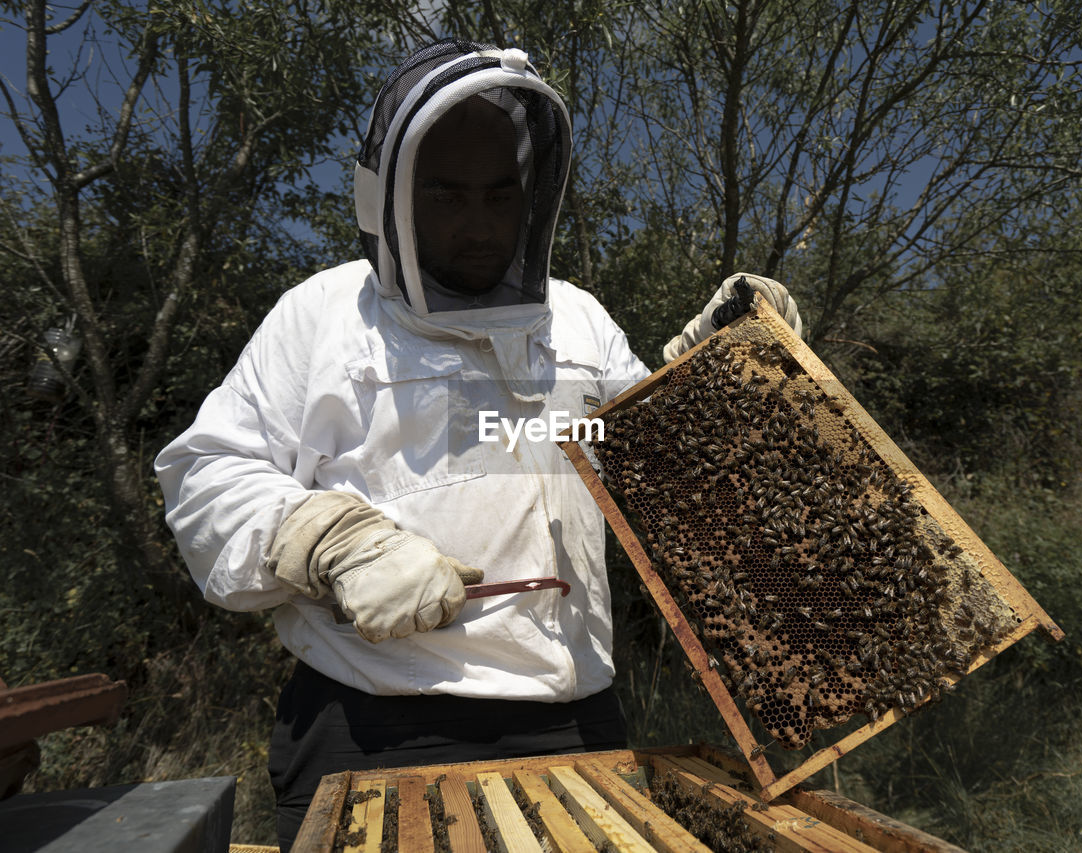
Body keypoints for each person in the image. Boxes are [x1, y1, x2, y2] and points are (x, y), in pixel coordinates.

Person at [154, 38, 802, 849]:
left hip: (577, 718)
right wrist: (328, 539)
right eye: (449, 196)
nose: (480, 225)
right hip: (381, 726)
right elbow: (207, 474)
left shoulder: (578, 320)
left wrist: (706, 366)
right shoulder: (323, 316)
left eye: (501, 197)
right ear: (389, 198)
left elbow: (641, 456)